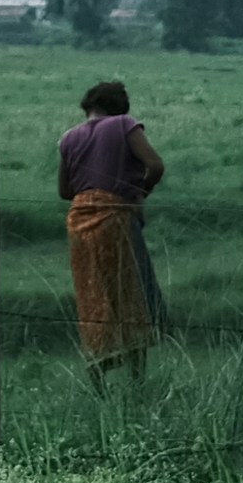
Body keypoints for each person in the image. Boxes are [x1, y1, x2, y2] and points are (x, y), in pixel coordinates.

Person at [54, 75, 168, 366]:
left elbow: (65, 191)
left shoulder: (68, 137)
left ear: (88, 107)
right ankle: (135, 375)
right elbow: (155, 165)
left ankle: (98, 361)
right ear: (120, 108)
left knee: (93, 292)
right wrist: (139, 192)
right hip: (114, 215)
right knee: (130, 293)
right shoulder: (123, 124)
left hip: (79, 218)